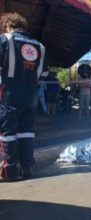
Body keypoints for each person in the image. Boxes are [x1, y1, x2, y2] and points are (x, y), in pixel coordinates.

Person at [0, 12, 49, 182]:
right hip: (31, 92)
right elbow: (44, 73)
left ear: (7, 25)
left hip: (11, 90)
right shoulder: (40, 47)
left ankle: (9, 171)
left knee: (8, 132)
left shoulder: (5, 39)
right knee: (26, 131)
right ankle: (27, 167)